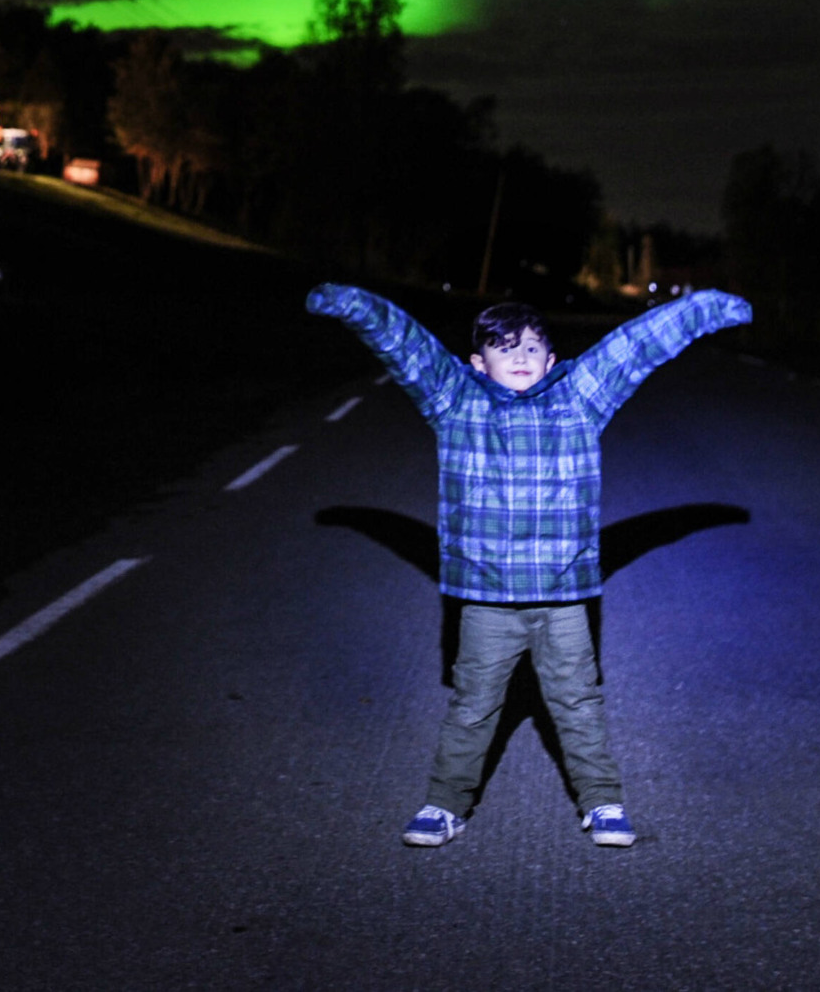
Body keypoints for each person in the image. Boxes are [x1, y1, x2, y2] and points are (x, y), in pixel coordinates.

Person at [305, 283, 754, 848]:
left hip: (564, 598)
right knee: (473, 706)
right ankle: (445, 805)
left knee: (577, 704)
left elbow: (637, 344)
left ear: (551, 360)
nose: (519, 356)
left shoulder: (579, 399)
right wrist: (351, 304)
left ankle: (604, 803)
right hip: (486, 600)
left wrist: (707, 309)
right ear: (478, 362)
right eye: (504, 346)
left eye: (532, 347)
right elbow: (406, 344)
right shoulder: (455, 401)